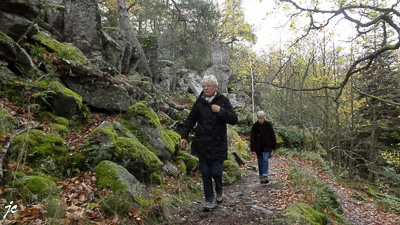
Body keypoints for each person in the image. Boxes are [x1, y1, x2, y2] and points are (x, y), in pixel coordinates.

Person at [180, 75, 238, 212]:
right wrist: (184, 136)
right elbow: (191, 119)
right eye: (204, 86)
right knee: (205, 173)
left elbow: (234, 119)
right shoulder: (199, 101)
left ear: (215, 87)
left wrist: (220, 111)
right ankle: (209, 200)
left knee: (216, 172)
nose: (205, 88)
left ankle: (219, 189)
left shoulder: (223, 100)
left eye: (208, 86)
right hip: (202, 144)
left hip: (218, 145)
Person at [250, 111, 277, 184]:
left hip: (267, 146)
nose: (260, 120)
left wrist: (273, 146)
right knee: (260, 161)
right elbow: (252, 137)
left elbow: (272, 136)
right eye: (259, 118)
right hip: (258, 146)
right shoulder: (255, 126)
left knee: (265, 159)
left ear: (264, 118)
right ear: (257, 118)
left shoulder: (268, 125)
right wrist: (252, 148)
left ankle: (265, 175)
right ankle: (261, 175)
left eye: (261, 118)